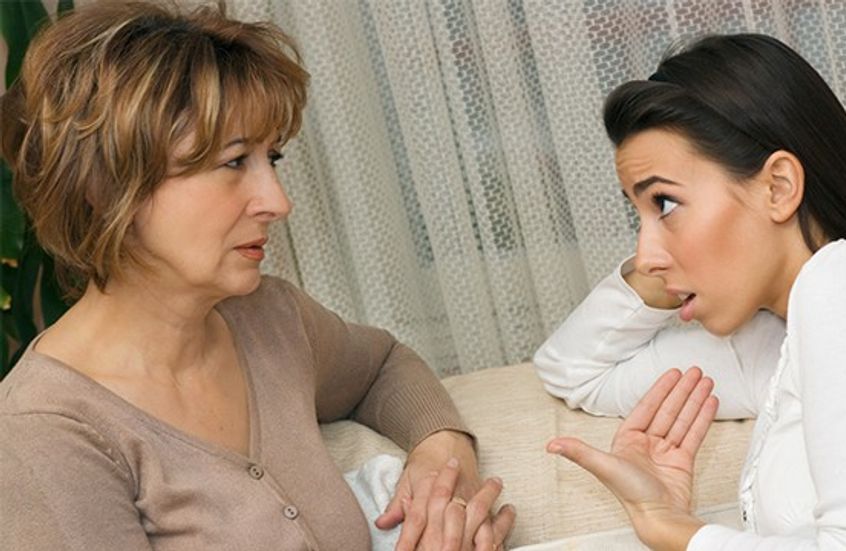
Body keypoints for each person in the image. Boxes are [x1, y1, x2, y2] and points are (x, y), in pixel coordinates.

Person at [0, 2, 514, 550]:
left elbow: (384, 365)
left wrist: (443, 457)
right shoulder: (46, 432)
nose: (278, 202)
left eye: (273, 159)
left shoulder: (269, 318)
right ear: (104, 187)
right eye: (233, 162)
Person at [534, 33, 846, 550]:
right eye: (637, 214)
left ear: (778, 187)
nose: (645, 254)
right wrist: (660, 269)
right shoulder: (777, 344)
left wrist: (678, 532)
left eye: (665, 204)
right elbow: (575, 370)